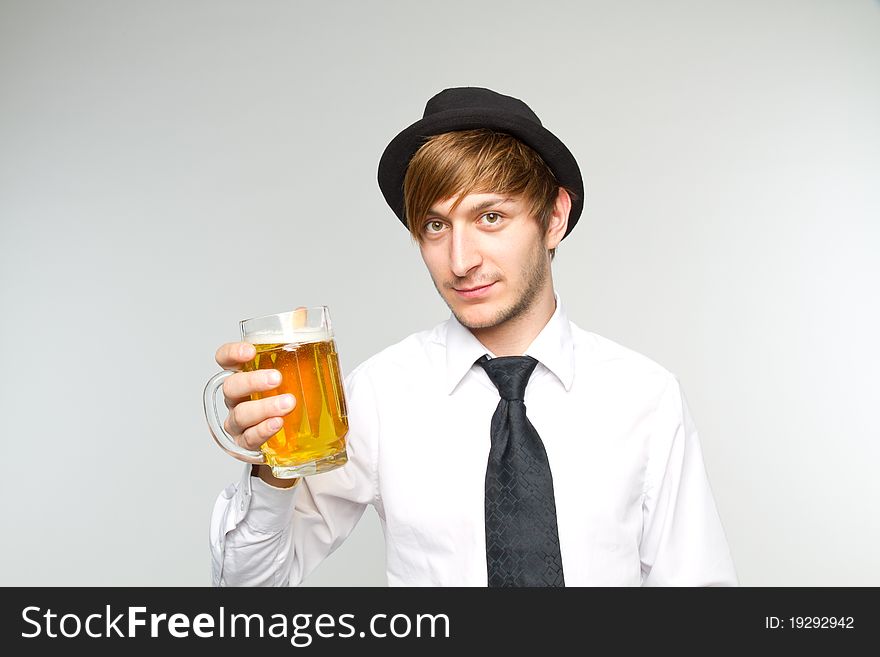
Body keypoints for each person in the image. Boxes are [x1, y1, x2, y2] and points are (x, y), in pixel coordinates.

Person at [208, 86, 738, 587]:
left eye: (490, 217)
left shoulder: (646, 396)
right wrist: (272, 474)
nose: (461, 262)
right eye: (436, 226)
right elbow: (252, 587)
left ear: (554, 218)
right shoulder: (378, 394)